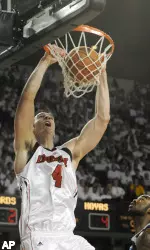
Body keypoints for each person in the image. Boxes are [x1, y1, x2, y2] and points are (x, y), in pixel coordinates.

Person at [14, 45, 110, 250]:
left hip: (68, 236)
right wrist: (45, 62)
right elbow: (27, 99)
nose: (47, 117)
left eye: (49, 116)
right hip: (39, 236)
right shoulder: (27, 150)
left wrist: (102, 74)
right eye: (41, 117)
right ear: (32, 127)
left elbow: (102, 119)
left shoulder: (69, 152)